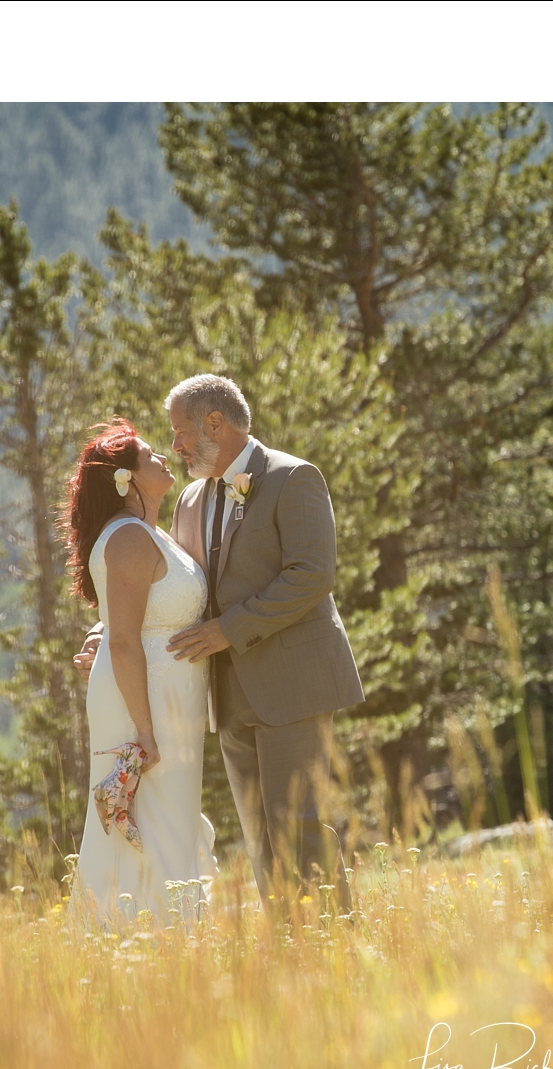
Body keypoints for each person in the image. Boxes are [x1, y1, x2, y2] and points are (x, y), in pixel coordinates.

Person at [76, 374, 365, 916]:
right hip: (227, 695)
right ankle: (290, 948)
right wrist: (107, 632)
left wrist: (227, 629)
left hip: (293, 685)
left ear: (216, 423)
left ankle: (335, 945)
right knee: (259, 836)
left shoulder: (293, 477)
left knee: (298, 823)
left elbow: (311, 575)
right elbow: (174, 591)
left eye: (182, 432)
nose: (177, 445)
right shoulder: (188, 500)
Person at [65, 419, 214, 923]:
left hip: (170, 702)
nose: (163, 458)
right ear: (125, 479)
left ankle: (169, 933)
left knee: (170, 816)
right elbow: (125, 641)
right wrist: (146, 731)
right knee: (146, 823)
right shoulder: (128, 539)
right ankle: (143, 935)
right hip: (140, 704)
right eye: (150, 456)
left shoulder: (149, 533)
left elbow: (123, 622)